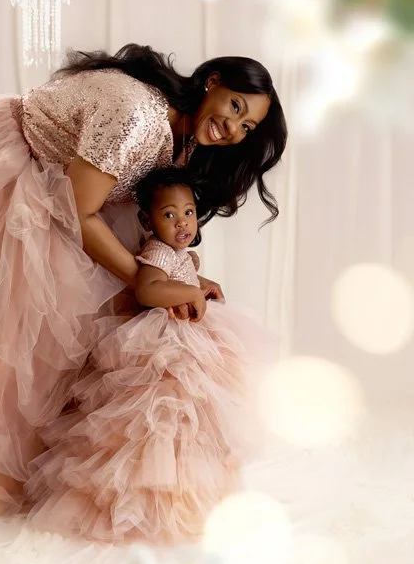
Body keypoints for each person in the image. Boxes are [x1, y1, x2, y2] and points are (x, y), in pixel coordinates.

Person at [0, 44, 287, 510]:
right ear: (213, 81)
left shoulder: (186, 138)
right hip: (25, 173)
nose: (233, 129)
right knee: (18, 329)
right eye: (236, 108)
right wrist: (148, 282)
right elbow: (77, 211)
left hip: (78, 191)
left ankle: (62, 465)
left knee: (92, 319)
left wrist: (175, 273)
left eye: (247, 128)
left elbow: (133, 215)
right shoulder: (137, 117)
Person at [25, 167, 273, 544]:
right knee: (159, 417)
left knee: (192, 421)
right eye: (168, 215)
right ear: (148, 220)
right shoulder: (157, 250)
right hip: (162, 342)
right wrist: (187, 294)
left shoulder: (181, 254)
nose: (181, 222)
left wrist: (201, 285)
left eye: (188, 212)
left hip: (187, 339)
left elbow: (179, 278)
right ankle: (147, 497)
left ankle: (188, 491)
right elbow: (149, 288)